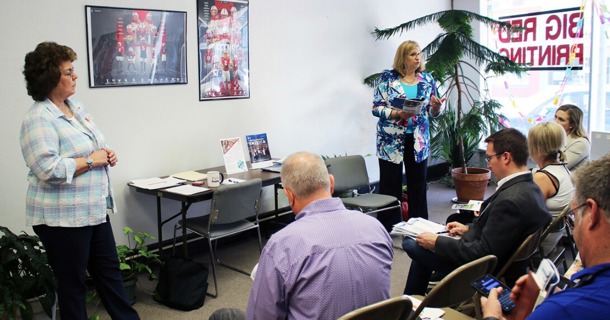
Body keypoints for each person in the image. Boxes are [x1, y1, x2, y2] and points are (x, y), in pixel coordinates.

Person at [19, 42, 139, 320]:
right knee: (73, 288)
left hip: (93, 211)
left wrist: (105, 153)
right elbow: (47, 169)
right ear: (50, 78)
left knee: (111, 276)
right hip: (62, 220)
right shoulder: (38, 118)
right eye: (69, 72)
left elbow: (93, 145)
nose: (75, 77)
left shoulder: (75, 106)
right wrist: (92, 160)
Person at [210, 152, 394, 320]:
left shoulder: (282, 245)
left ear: (289, 196)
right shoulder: (376, 228)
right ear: (331, 183)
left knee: (224, 316)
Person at [402, 128, 551, 295]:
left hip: (480, 268)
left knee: (412, 243)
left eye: (489, 158)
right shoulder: (530, 187)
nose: (487, 164)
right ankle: (412, 303)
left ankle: (411, 302)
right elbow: (500, 232)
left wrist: (437, 242)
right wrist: (469, 229)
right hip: (495, 255)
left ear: (506, 157)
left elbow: (481, 253)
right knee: (423, 246)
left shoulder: (510, 200)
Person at [481, 154, 610, 320]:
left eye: (574, 215)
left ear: (591, 214)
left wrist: (491, 316)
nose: (574, 225)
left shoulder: (563, 310)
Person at [372, 40, 445, 228]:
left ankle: (418, 225)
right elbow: (377, 108)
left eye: (419, 54)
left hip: (418, 140)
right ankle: (390, 226)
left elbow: (432, 112)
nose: (417, 58)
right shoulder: (387, 78)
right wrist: (398, 114)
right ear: (402, 57)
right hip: (390, 140)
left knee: (418, 184)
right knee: (390, 184)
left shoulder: (427, 79)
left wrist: (436, 108)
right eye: (412, 54)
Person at [528, 122, 574, 254]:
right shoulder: (563, 169)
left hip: (539, 244)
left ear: (536, 148)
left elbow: (529, 216)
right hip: (553, 237)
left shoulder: (543, 178)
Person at [554, 104, 590, 170]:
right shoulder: (557, 137)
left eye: (561, 120)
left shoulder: (581, 143)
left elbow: (559, 167)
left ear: (572, 124)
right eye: (555, 117)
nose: (555, 121)